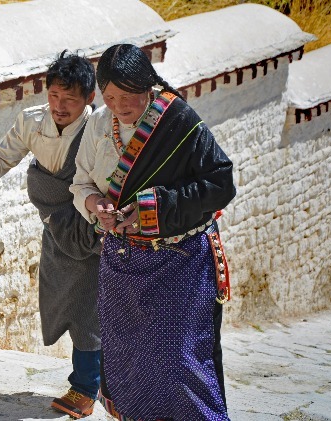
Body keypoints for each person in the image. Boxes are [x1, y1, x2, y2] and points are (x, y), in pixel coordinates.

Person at [70, 43, 235, 420]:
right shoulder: (98, 124)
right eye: (110, 97)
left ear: (147, 86)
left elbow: (220, 184)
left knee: (179, 364)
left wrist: (152, 208)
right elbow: (81, 183)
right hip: (121, 264)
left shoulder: (178, 122)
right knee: (128, 361)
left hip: (180, 263)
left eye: (127, 96)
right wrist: (96, 206)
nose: (119, 106)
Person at [0, 51, 101, 419]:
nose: (60, 106)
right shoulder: (32, 121)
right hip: (56, 228)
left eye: (70, 99)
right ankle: (97, 380)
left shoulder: (100, 130)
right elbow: (1, 155)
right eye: (55, 96)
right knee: (63, 302)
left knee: (88, 308)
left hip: (91, 231)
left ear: (90, 98)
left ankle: (86, 387)